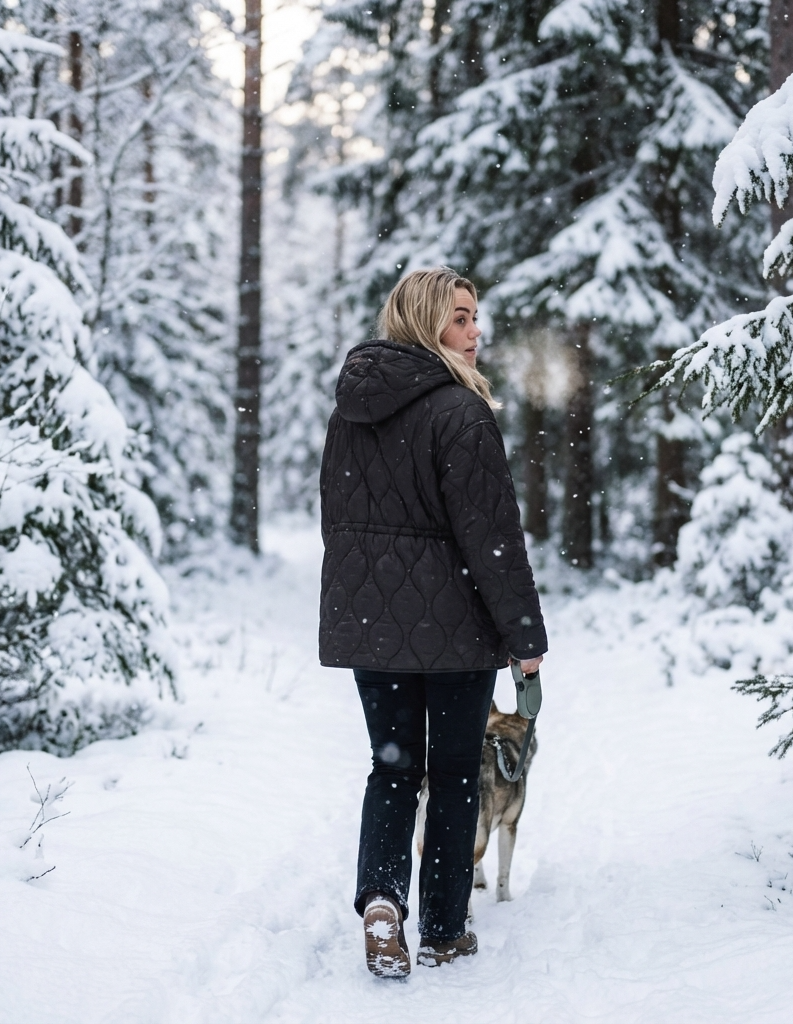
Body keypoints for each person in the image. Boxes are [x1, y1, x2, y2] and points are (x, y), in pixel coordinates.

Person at [318, 267, 547, 978]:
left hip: (373, 627)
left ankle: (383, 902)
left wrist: (370, 594)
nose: (475, 331)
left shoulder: (350, 412)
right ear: (424, 322)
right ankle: (444, 930)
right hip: (456, 633)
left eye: (475, 316)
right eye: (459, 318)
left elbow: (337, 521)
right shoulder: (461, 413)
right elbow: (493, 540)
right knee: (452, 776)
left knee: (392, 770)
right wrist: (524, 638)